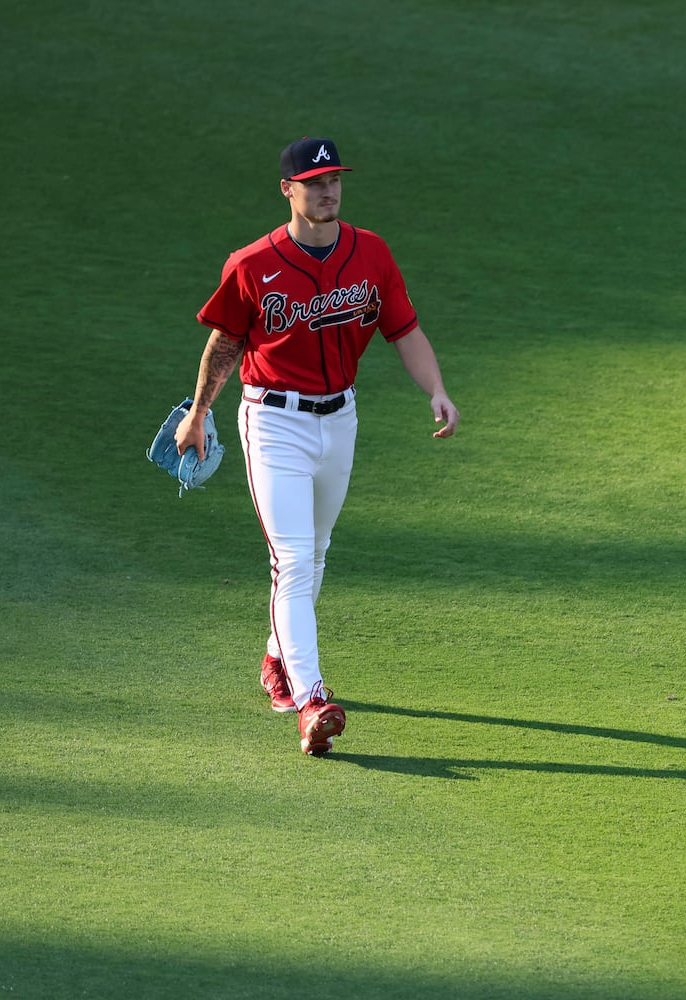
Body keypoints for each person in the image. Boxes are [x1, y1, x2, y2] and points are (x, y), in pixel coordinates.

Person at [173, 136, 459, 756]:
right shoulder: (251, 264)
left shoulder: (371, 253)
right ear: (288, 190)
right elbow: (224, 343)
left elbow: (403, 329)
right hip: (273, 422)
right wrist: (198, 413)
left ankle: (277, 660)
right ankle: (312, 699)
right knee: (295, 560)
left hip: (341, 419)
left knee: (316, 552)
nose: (327, 191)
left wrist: (436, 389)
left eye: (334, 180)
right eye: (314, 182)